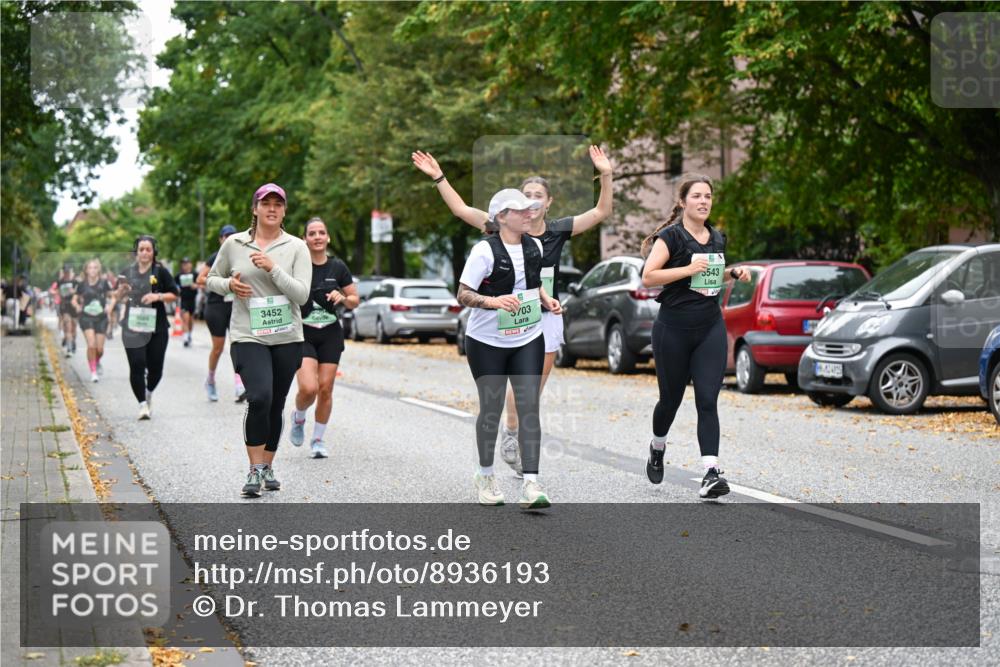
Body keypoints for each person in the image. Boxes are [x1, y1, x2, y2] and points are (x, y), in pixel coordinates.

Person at [412, 146, 613, 476]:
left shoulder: (558, 231)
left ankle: (512, 435)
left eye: (539, 195)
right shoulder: (500, 226)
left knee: (531, 390)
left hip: (545, 316)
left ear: (548, 203)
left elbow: (601, 211)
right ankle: (512, 438)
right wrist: (439, 177)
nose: (532, 200)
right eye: (526, 195)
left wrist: (605, 172)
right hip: (503, 317)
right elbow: (462, 210)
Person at [639, 174, 750, 500]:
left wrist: (733, 273)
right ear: (684, 202)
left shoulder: (717, 238)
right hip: (672, 329)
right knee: (670, 401)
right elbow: (648, 277)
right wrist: (688, 268)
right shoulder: (670, 238)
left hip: (709, 327)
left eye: (708, 197)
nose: (704, 201)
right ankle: (658, 445)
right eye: (697, 196)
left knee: (707, 399)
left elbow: (711, 274)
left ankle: (711, 473)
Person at [454, 188, 562, 509]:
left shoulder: (535, 246)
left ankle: (531, 483)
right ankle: (485, 475)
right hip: (486, 341)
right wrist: (492, 301)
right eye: (522, 211)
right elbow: (463, 293)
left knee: (529, 407)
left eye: (532, 210)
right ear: (501, 217)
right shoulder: (484, 252)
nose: (530, 214)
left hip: (527, 335)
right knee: (492, 407)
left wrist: (546, 299)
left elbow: (532, 281)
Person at [206, 184, 310, 497]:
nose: (272, 208)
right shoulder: (235, 244)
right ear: (255, 209)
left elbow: (302, 294)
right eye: (266, 203)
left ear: (284, 211)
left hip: (286, 336)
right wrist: (228, 285)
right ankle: (253, 470)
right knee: (260, 397)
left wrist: (274, 269)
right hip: (247, 334)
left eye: (279, 204)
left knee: (276, 404)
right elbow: (211, 279)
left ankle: (267, 465)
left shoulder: (296, 247)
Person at [289, 217, 359, 458]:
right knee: (309, 388)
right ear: (304, 239)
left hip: (330, 334)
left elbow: (354, 299)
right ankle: (298, 417)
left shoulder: (338, 267)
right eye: (312, 233)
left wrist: (343, 298)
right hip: (303, 334)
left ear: (327, 237)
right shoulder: (297, 267)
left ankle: (318, 440)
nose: (317, 237)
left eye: (321, 232)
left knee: (326, 389)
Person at [114, 236, 179, 420]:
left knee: (156, 369)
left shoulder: (161, 272)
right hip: (132, 326)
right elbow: (117, 297)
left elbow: (175, 294)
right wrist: (122, 291)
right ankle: (142, 403)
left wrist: (157, 297)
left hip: (156, 326)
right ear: (136, 252)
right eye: (141, 249)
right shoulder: (126, 272)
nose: (144, 253)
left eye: (148, 249)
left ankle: (148, 392)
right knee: (137, 364)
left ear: (153, 252)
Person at [197, 225, 245, 402]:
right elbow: (200, 278)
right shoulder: (215, 257)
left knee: (238, 344)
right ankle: (210, 380)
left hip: (236, 305)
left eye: (233, 235)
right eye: (226, 236)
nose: (230, 238)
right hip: (216, 306)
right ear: (221, 239)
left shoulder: (243, 255)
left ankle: (240, 385)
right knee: (218, 348)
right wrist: (224, 282)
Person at [73, 259, 114, 382]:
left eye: (95, 267)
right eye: (90, 268)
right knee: (91, 345)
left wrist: (109, 307)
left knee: (99, 349)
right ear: (86, 270)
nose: (92, 270)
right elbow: (74, 299)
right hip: (86, 317)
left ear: (98, 270)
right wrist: (77, 306)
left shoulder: (104, 283)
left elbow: (113, 297)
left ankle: (96, 361)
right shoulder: (81, 285)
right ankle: (93, 372)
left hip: (101, 318)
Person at [55, 265, 79, 357]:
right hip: (65, 306)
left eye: (68, 272)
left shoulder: (75, 281)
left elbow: (79, 293)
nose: (67, 274)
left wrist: (73, 292)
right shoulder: (60, 282)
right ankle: (69, 348)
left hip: (74, 306)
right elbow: (56, 292)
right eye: (65, 272)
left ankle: (73, 342)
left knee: (74, 327)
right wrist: (58, 294)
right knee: (68, 327)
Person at [175, 258, 198, 347]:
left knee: (191, 320)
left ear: (190, 264)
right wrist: (177, 289)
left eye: (187, 263)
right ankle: (185, 338)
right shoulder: (179, 275)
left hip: (192, 299)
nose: (185, 265)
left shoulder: (195, 274)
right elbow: (173, 285)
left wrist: (195, 286)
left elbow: (201, 284)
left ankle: (189, 335)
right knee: (185, 318)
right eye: (183, 264)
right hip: (183, 300)